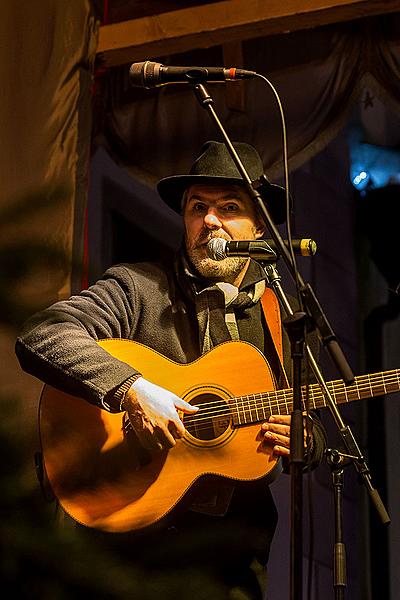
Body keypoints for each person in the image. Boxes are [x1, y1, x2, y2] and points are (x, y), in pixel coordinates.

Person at [15, 141, 326, 599]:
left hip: (233, 552)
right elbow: (43, 332)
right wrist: (132, 388)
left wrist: (307, 440)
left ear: (259, 225)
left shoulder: (284, 316)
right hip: (131, 537)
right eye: (197, 207)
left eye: (228, 207)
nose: (210, 221)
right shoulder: (138, 286)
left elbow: (312, 417)